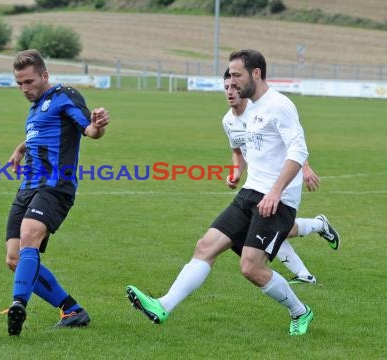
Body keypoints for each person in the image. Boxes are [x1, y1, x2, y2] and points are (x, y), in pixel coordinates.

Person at [126, 49, 314, 336]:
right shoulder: (247, 110)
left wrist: (275, 192)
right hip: (250, 193)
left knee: (250, 268)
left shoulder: (279, 104)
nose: (232, 83)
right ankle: (163, 305)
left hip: (277, 200)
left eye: (237, 76)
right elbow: (249, 150)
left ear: (256, 73)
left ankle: (300, 312)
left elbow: (298, 150)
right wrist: (238, 172)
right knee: (205, 247)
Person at [3, 49, 109, 336]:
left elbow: (88, 129)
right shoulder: (35, 107)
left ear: (44, 76)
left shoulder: (65, 96)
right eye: (19, 84)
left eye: (29, 82)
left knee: (29, 237)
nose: (24, 89)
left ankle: (18, 305)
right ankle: (72, 309)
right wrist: (20, 148)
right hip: (27, 188)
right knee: (14, 258)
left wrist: (97, 125)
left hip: (55, 186)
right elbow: (40, 133)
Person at [221, 69, 341, 285]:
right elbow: (238, 150)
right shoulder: (228, 121)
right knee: (269, 232)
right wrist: (237, 172)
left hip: (279, 182)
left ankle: (310, 256)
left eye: (235, 87)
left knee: (268, 231)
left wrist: (304, 167)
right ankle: (315, 236)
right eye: (226, 87)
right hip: (255, 184)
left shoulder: (264, 109)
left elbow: (292, 143)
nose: (230, 92)